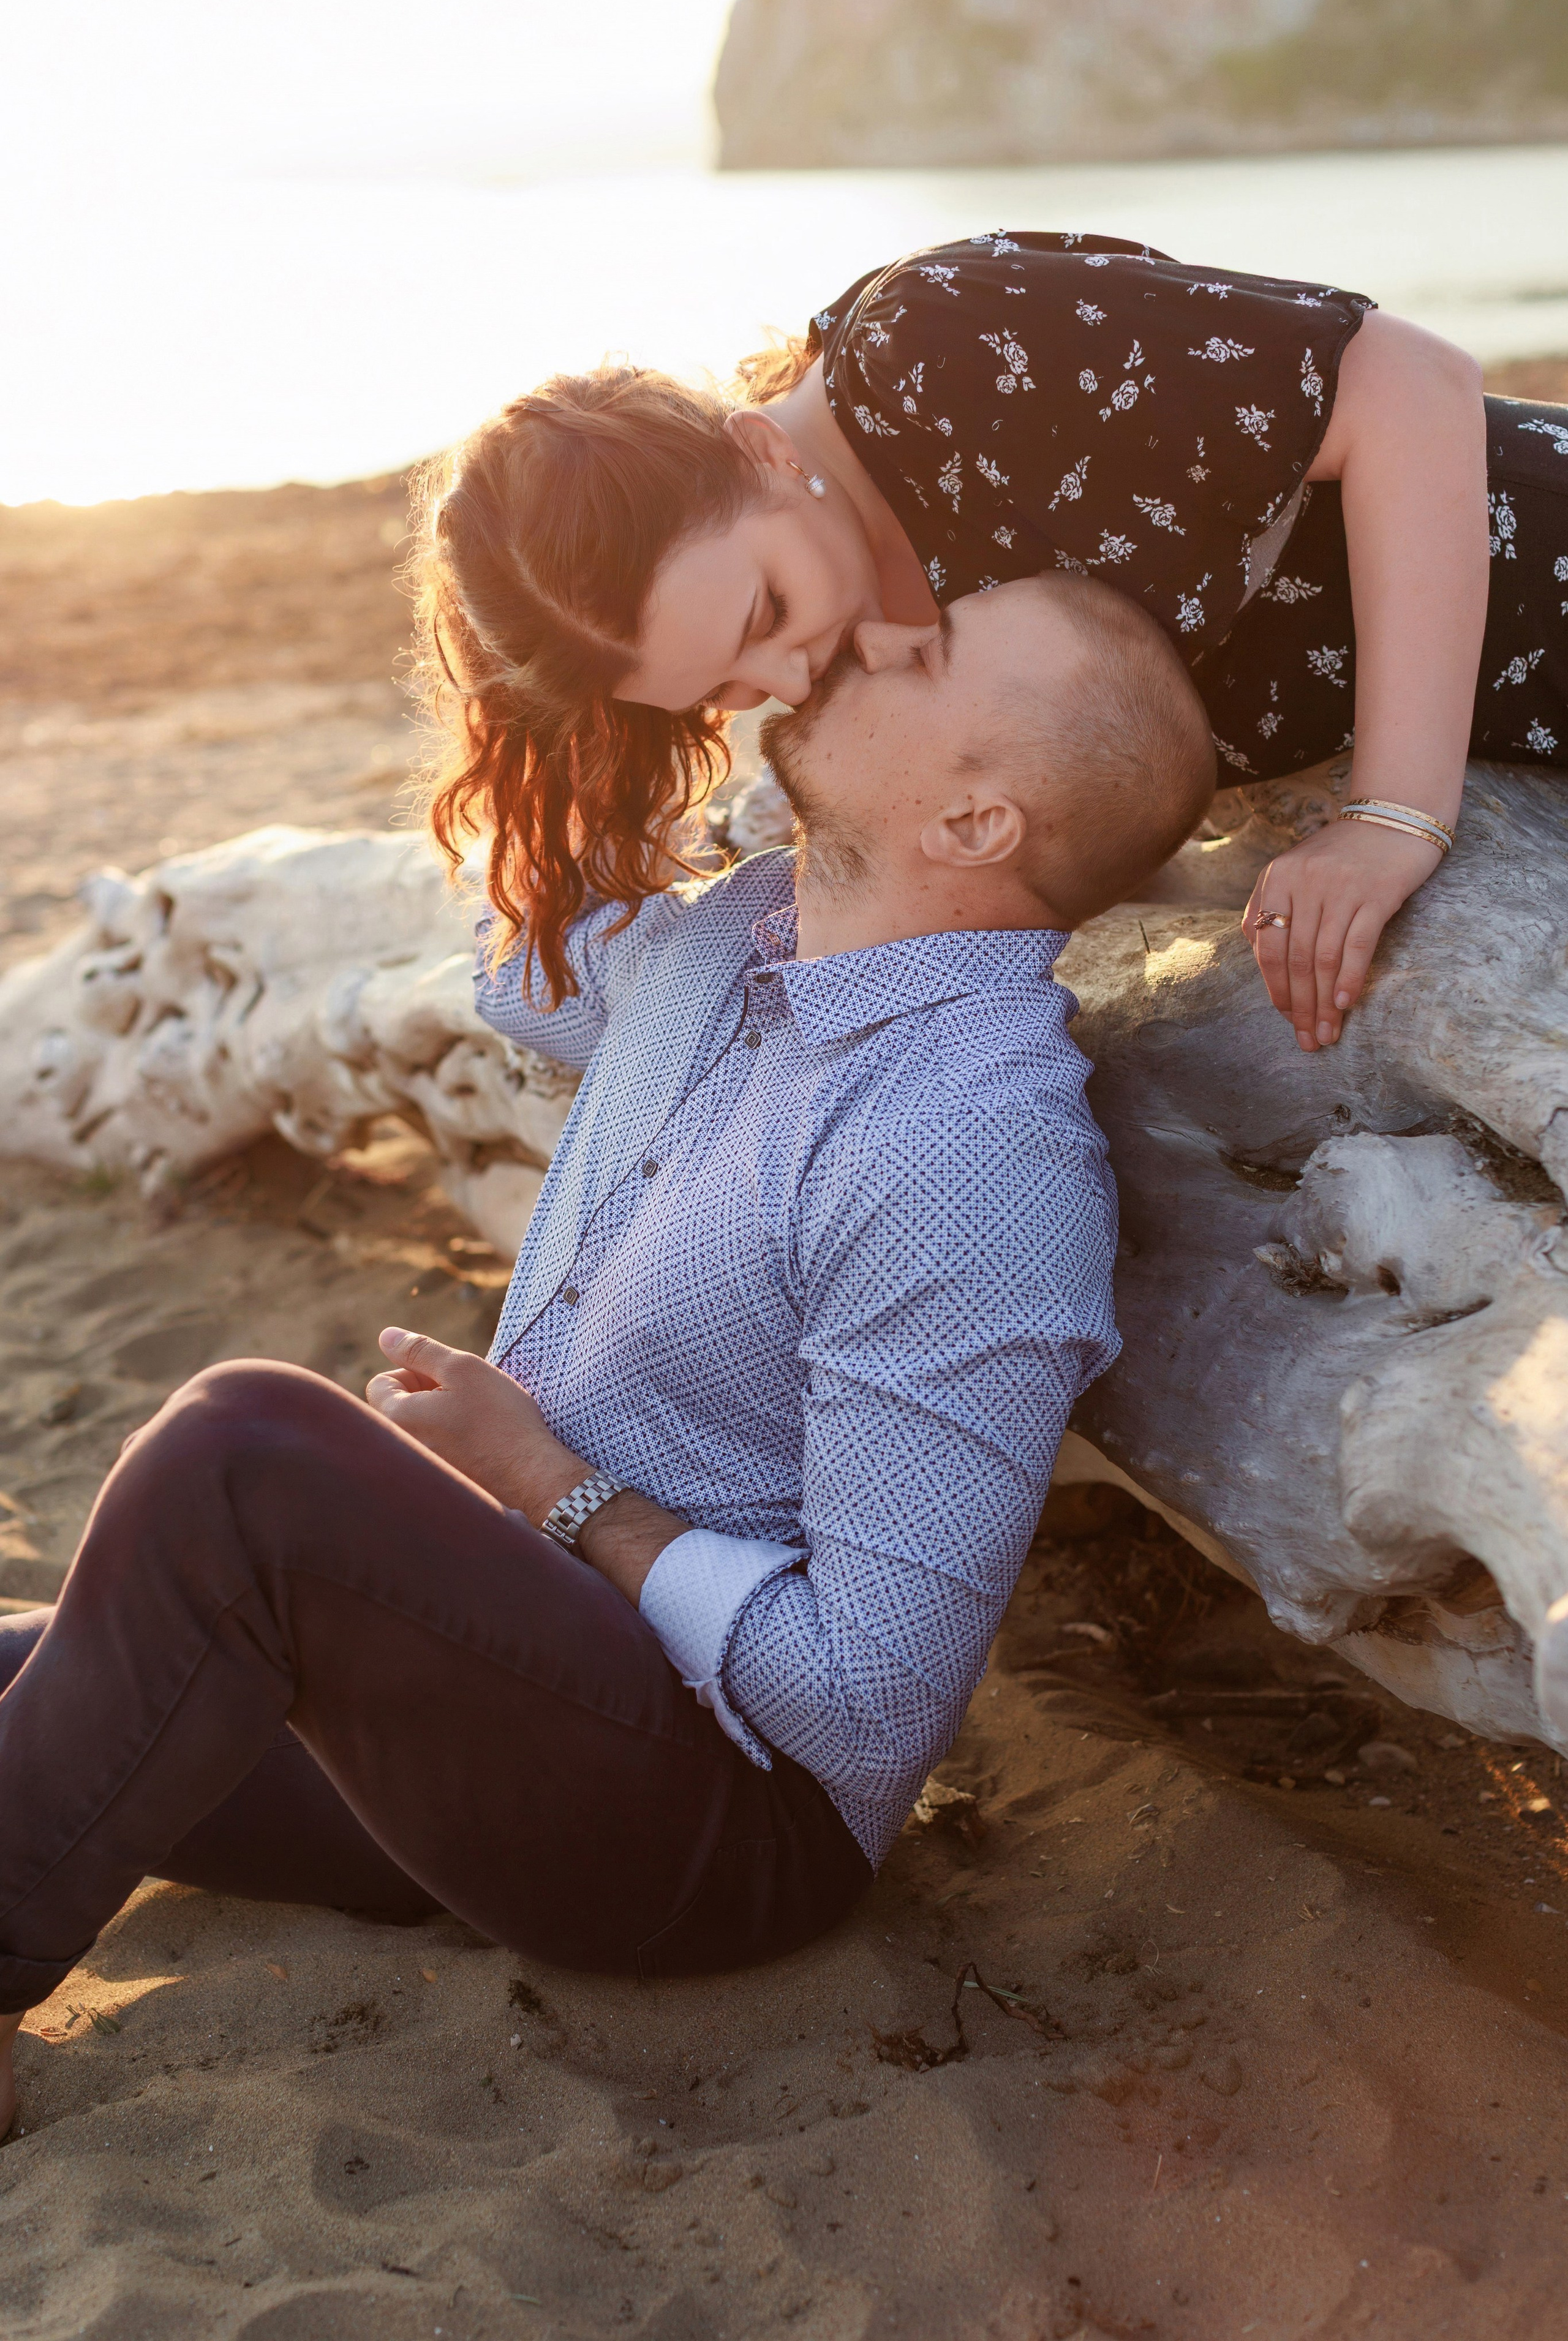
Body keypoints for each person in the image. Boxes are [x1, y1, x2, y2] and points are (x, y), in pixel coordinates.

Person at [0, 571, 1215, 2132]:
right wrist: (599, 664)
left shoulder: (967, 1153)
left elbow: (859, 1714)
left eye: (922, 658)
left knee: (240, 1458)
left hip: (710, 1833)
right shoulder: (740, 931)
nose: (859, 638)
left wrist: (551, 1483)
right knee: (66, 1654)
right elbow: (531, 972)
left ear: (977, 822)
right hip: (492, 1691)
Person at [413, 228, 1567, 1068]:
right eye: (719, 689)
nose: (780, 680)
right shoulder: (833, 607)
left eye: (762, 617)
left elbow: (1414, 381)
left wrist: (1392, 818)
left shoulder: (939, 344)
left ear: (761, 450)